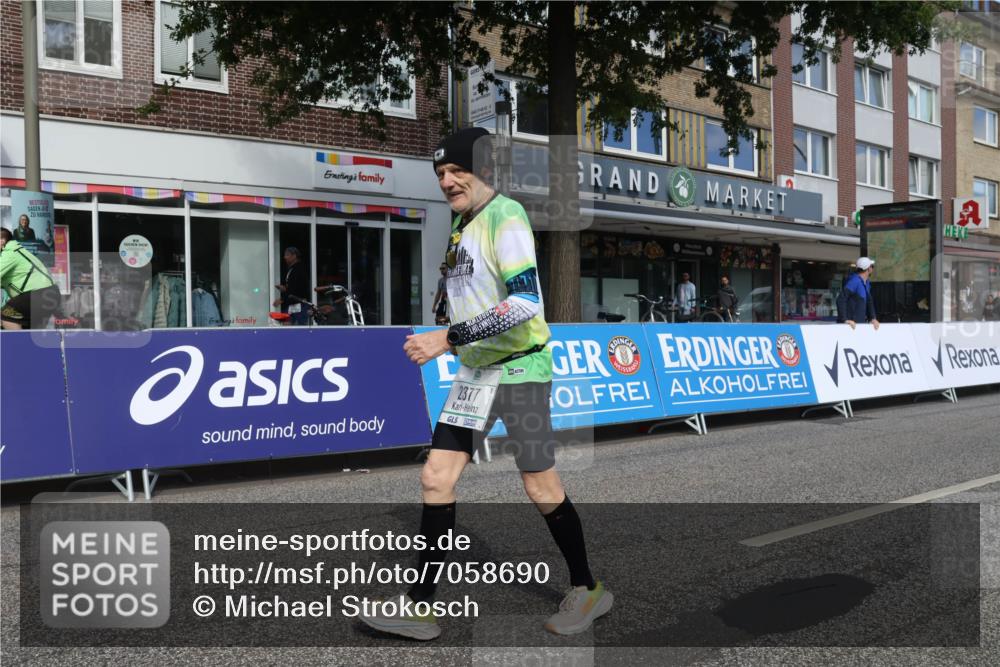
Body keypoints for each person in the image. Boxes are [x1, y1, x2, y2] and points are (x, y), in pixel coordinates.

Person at [360, 127, 612, 640]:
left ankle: (587, 589)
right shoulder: (461, 221)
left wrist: (446, 338)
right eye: (441, 175)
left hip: (521, 367)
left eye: (457, 171)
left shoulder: (507, 215)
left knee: (539, 484)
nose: (447, 181)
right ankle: (419, 607)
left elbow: (524, 304)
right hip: (477, 372)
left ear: (485, 170)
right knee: (435, 478)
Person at [1, 227, 60, 329]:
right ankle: (29, 344)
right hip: (48, 295)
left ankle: (19, 344)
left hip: (39, 295)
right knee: (30, 330)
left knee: (7, 314)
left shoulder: (9, 254)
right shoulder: (17, 251)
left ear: (2, 241)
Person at [836, 256, 880, 330]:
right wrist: (845, 320)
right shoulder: (854, 281)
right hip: (850, 327)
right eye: (872, 266)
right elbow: (840, 299)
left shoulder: (866, 283)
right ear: (869, 269)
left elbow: (869, 301)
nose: (872, 268)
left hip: (859, 326)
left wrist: (873, 318)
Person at [273, 246, 310, 325]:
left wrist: (283, 296)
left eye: (287, 255)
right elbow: (292, 287)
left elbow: (298, 288)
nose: (285, 257)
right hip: (291, 304)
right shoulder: (291, 269)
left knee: (301, 329)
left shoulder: (299, 269)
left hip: (300, 304)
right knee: (286, 327)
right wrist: (284, 290)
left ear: (294, 256)